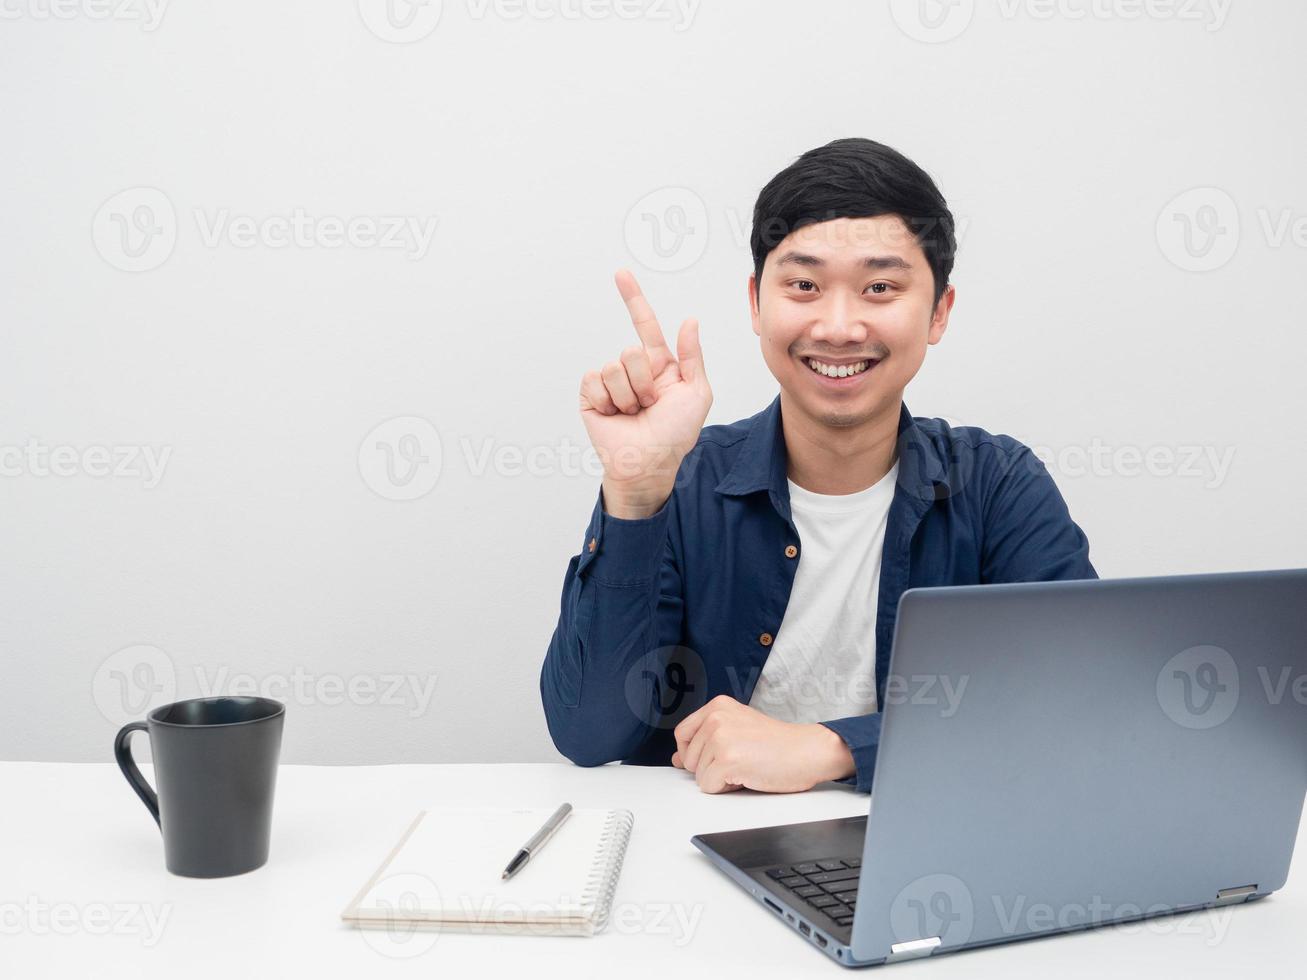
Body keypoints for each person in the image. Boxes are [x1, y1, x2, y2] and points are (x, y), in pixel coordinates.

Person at [540, 137, 1096, 795]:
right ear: (755, 302)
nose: (837, 326)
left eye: (879, 288)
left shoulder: (1000, 484)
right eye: (803, 285)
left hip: (919, 847)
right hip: (694, 858)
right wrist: (635, 492)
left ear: (938, 312)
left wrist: (835, 747)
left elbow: (1073, 707)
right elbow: (588, 734)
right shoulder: (682, 481)